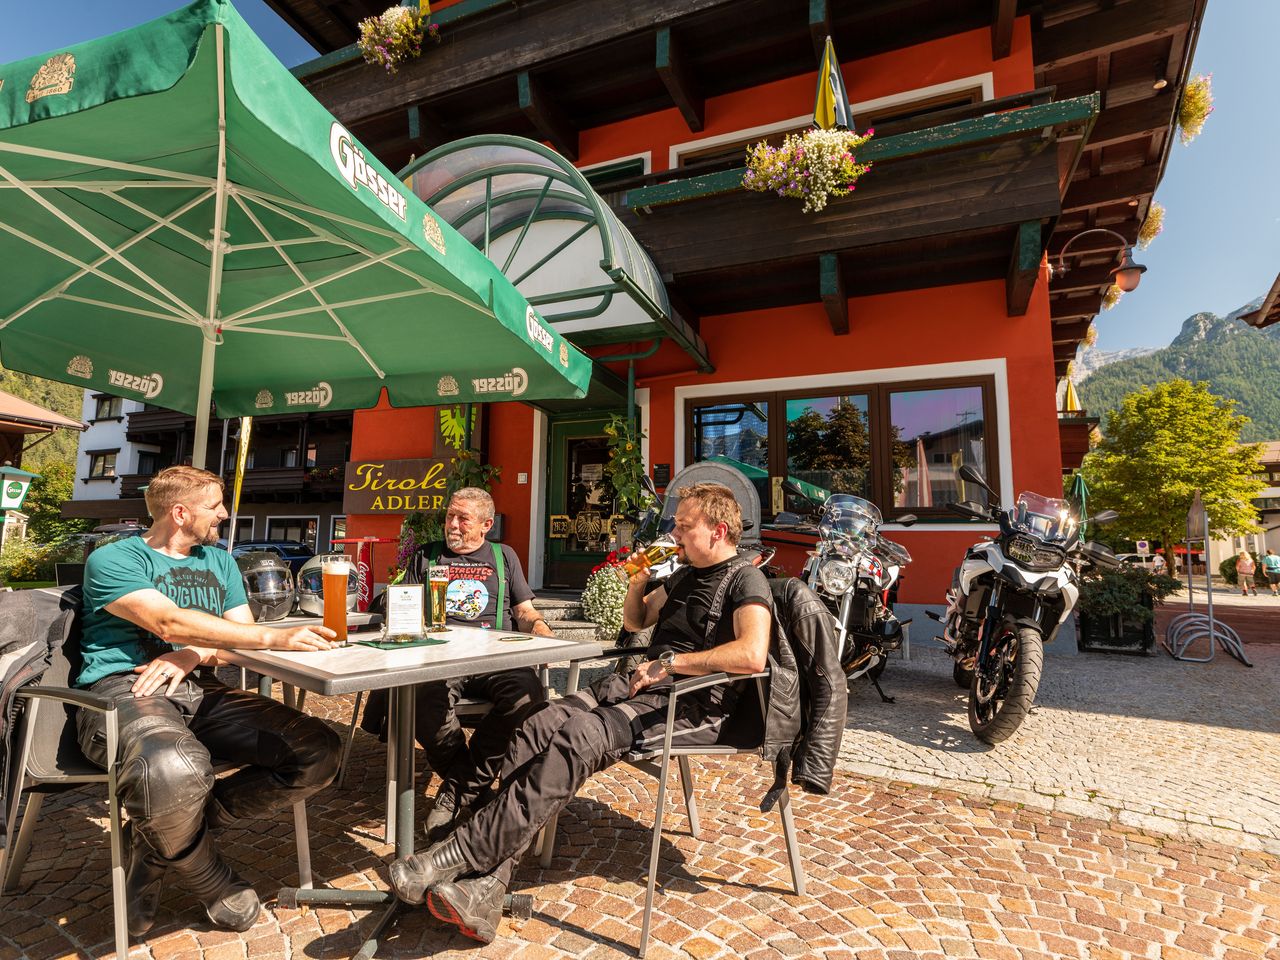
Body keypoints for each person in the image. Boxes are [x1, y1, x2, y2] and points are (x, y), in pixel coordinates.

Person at [387, 482, 772, 944]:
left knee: (578, 737)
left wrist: (670, 664)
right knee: (538, 723)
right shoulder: (685, 576)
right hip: (637, 690)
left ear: (719, 530)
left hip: (690, 705)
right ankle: (488, 889)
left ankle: (454, 855)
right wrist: (637, 578)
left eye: (685, 527)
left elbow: (752, 654)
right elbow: (636, 622)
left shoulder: (745, 578)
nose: (675, 533)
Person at [76, 466, 342, 936]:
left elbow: (234, 639)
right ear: (179, 512)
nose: (223, 514)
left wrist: (190, 654)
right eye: (214, 505)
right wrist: (270, 639)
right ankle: (207, 875)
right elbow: (167, 620)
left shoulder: (220, 562)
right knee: (172, 769)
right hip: (125, 687)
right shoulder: (115, 558)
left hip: (201, 687)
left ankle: (156, 838)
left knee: (317, 751)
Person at [373, 487, 556, 844]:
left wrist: (539, 628)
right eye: (449, 516)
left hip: (496, 655)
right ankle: (477, 791)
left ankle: (456, 790)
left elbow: (524, 611)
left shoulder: (505, 557)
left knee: (527, 696)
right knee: (423, 698)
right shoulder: (426, 556)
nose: (452, 525)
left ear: (486, 524)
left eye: (463, 519)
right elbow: (402, 602)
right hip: (440, 657)